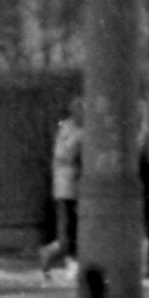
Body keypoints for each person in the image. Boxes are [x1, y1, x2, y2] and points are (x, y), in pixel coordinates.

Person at [46, 105, 84, 274]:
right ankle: (64, 259)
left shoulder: (79, 128)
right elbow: (63, 154)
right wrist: (79, 138)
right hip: (66, 186)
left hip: (77, 186)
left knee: (74, 226)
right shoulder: (68, 128)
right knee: (69, 227)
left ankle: (60, 257)